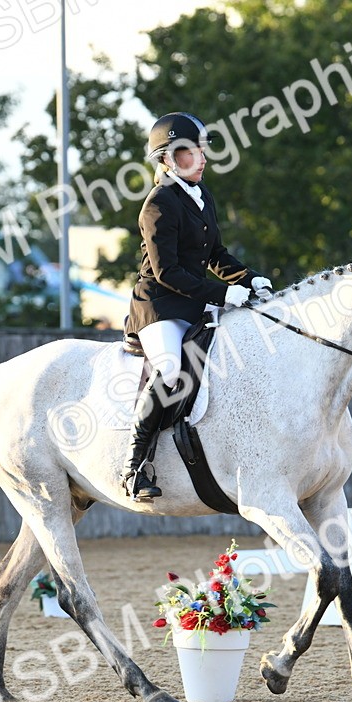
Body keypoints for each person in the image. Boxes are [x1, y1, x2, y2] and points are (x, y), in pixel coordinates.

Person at [120, 112, 272, 501]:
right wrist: (222, 295)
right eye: (189, 152)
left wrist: (249, 278)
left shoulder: (202, 197)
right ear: (167, 159)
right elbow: (167, 271)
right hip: (159, 304)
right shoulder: (158, 205)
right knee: (171, 371)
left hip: (193, 301)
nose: (201, 159)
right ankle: (134, 465)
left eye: (201, 151)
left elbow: (216, 255)